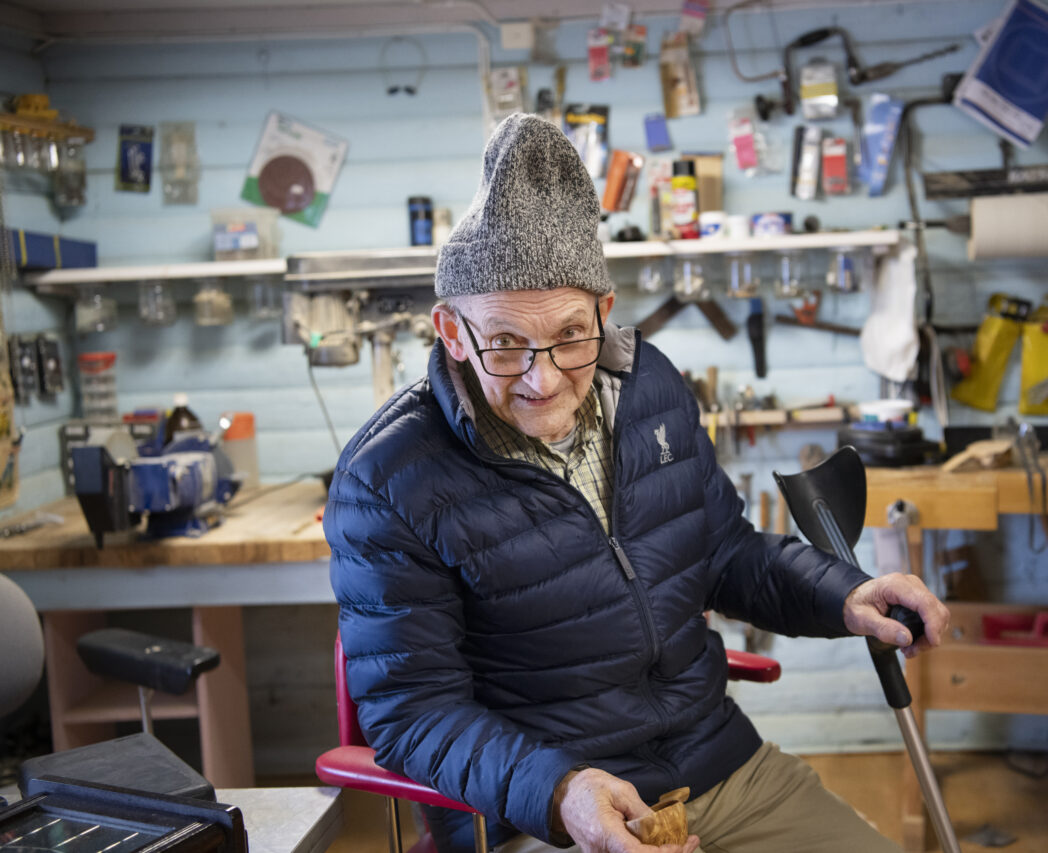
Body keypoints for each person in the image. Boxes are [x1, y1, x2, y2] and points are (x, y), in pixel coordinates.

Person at [325, 114, 950, 853]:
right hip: (540, 811)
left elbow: (720, 552)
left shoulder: (649, 386)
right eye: (504, 344)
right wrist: (560, 794)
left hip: (721, 765)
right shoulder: (387, 478)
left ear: (605, 312)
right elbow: (413, 712)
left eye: (568, 335)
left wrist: (842, 591)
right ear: (451, 331)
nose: (543, 378)